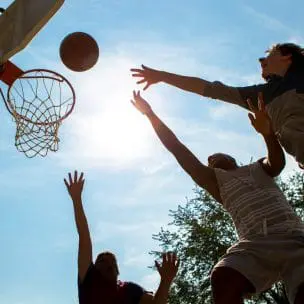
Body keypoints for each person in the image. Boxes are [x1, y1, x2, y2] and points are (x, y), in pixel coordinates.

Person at [131, 90, 304, 304]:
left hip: (293, 237)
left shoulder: (256, 168)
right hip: (256, 244)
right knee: (223, 276)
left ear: (231, 158)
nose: (210, 159)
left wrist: (268, 134)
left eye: (214, 155)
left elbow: (277, 163)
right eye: (208, 160)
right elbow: (176, 148)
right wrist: (150, 114)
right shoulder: (216, 182)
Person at [131, 43, 304, 168]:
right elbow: (209, 89)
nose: (261, 60)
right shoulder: (260, 97)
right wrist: (162, 76)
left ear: (286, 56)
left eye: (269, 54)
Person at [64, 171, 179, 304]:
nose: (109, 263)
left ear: (118, 270)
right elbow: (84, 237)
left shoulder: (130, 290)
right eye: (103, 261)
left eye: (112, 261)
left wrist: (166, 281)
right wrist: (76, 200)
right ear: (94, 268)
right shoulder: (90, 281)